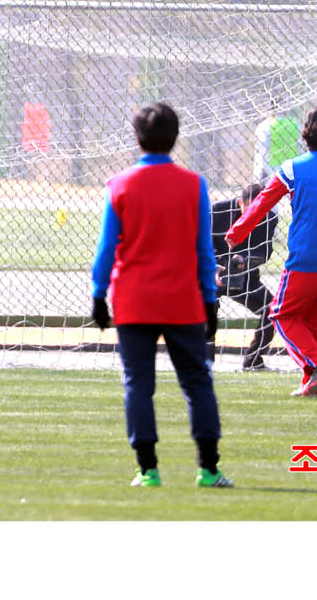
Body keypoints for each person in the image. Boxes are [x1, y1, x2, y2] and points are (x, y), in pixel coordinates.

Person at [90, 102, 230, 489]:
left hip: (133, 302)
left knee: (138, 383)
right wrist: (210, 297)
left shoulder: (119, 185)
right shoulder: (193, 184)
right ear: (175, 138)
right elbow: (205, 250)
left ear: (137, 139)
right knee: (198, 382)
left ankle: (148, 470)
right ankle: (208, 468)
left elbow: (106, 249)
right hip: (182, 301)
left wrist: (99, 294)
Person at [226, 105, 317, 397]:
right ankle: (315, 385)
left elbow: (263, 202)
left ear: (306, 134)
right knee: (315, 320)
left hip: (308, 258)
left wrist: (237, 232)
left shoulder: (293, 167)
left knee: (281, 315)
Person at [211, 182, 277, 370]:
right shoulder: (218, 211)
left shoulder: (268, 218)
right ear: (240, 202)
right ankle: (205, 361)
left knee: (272, 310)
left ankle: (253, 360)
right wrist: (215, 263)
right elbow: (201, 240)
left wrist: (245, 260)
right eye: (250, 211)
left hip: (246, 276)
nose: (254, 217)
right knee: (208, 308)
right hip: (213, 272)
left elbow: (265, 250)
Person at [253, 102, 301, 182]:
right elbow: (300, 145)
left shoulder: (265, 126)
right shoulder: (295, 123)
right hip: (293, 166)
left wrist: (258, 175)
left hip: (273, 168)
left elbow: (261, 152)